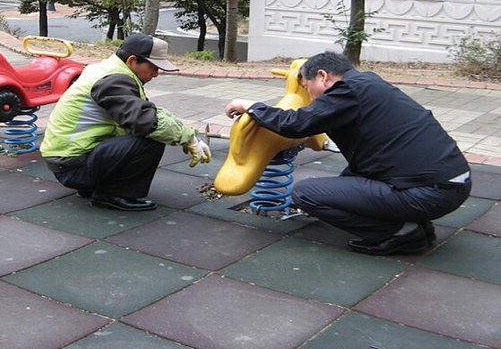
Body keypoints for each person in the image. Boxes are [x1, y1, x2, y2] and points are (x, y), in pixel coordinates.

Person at [225, 51, 471, 256]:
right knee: (343, 185)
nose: (310, 97)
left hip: (429, 193)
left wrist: (250, 106)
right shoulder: (369, 84)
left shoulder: (345, 91)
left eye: (308, 88)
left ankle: (400, 234)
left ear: (322, 76)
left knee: (305, 193)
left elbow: (296, 123)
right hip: (453, 183)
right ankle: (410, 221)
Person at [41, 33, 211, 211]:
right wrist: (188, 138)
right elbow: (147, 122)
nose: (156, 74)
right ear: (132, 60)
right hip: (72, 166)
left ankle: (91, 187)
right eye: (153, 67)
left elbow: (149, 110)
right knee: (150, 139)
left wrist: (188, 135)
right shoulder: (113, 81)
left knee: (145, 129)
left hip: (68, 160)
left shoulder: (107, 70)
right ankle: (113, 194)